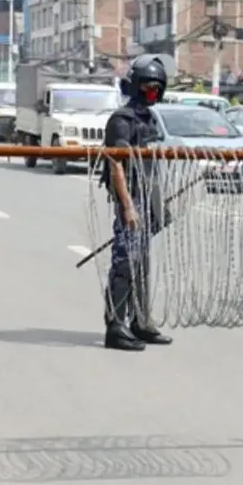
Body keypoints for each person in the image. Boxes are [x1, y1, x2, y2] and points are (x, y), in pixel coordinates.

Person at [99, 54, 173, 352]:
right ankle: (115, 326)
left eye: (157, 86)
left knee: (141, 263)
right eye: (148, 86)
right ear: (136, 87)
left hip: (148, 195)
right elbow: (116, 164)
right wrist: (127, 206)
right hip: (130, 196)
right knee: (125, 263)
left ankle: (140, 322)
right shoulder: (122, 120)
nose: (152, 91)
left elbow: (151, 162)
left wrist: (159, 205)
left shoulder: (149, 117)